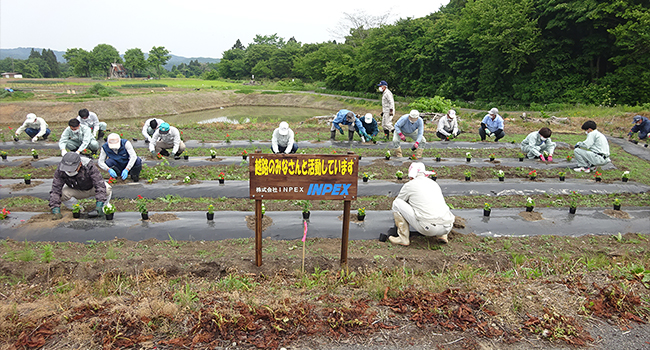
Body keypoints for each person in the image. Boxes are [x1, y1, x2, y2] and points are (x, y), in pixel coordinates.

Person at [389, 162, 455, 246]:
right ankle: (442, 235)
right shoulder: (434, 183)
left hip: (428, 228)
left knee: (397, 203)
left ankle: (403, 238)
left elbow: (401, 201)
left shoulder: (410, 185)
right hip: (447, 227)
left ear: (411, 175)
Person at [49, 152, 111, 220]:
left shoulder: (88, 166)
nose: (69, 171)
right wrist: (55, 209)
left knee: (107, 188)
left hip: (92, 188)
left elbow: (99, 184)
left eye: (72, 168)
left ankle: (103, 207)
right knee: (63, 194)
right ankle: (78, 208)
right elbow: (55, 189)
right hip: (76, 189)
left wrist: (99, 205)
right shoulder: (61, 169)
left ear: (80, 164)